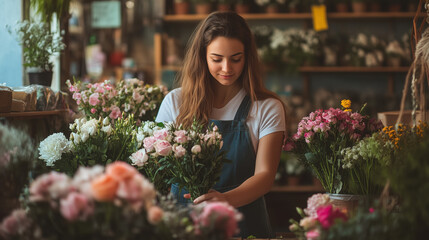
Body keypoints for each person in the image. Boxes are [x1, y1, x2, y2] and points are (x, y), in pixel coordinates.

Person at [155, 11, 286, 238]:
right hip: (183, 225)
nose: (227, 68)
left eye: (236, 58)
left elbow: (265, 176)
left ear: (247, 57)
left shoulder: (266, 107)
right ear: (202, 56)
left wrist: (225, 199)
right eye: (217, 59)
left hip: (244, 226)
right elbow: (159, 171)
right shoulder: (175, 102)